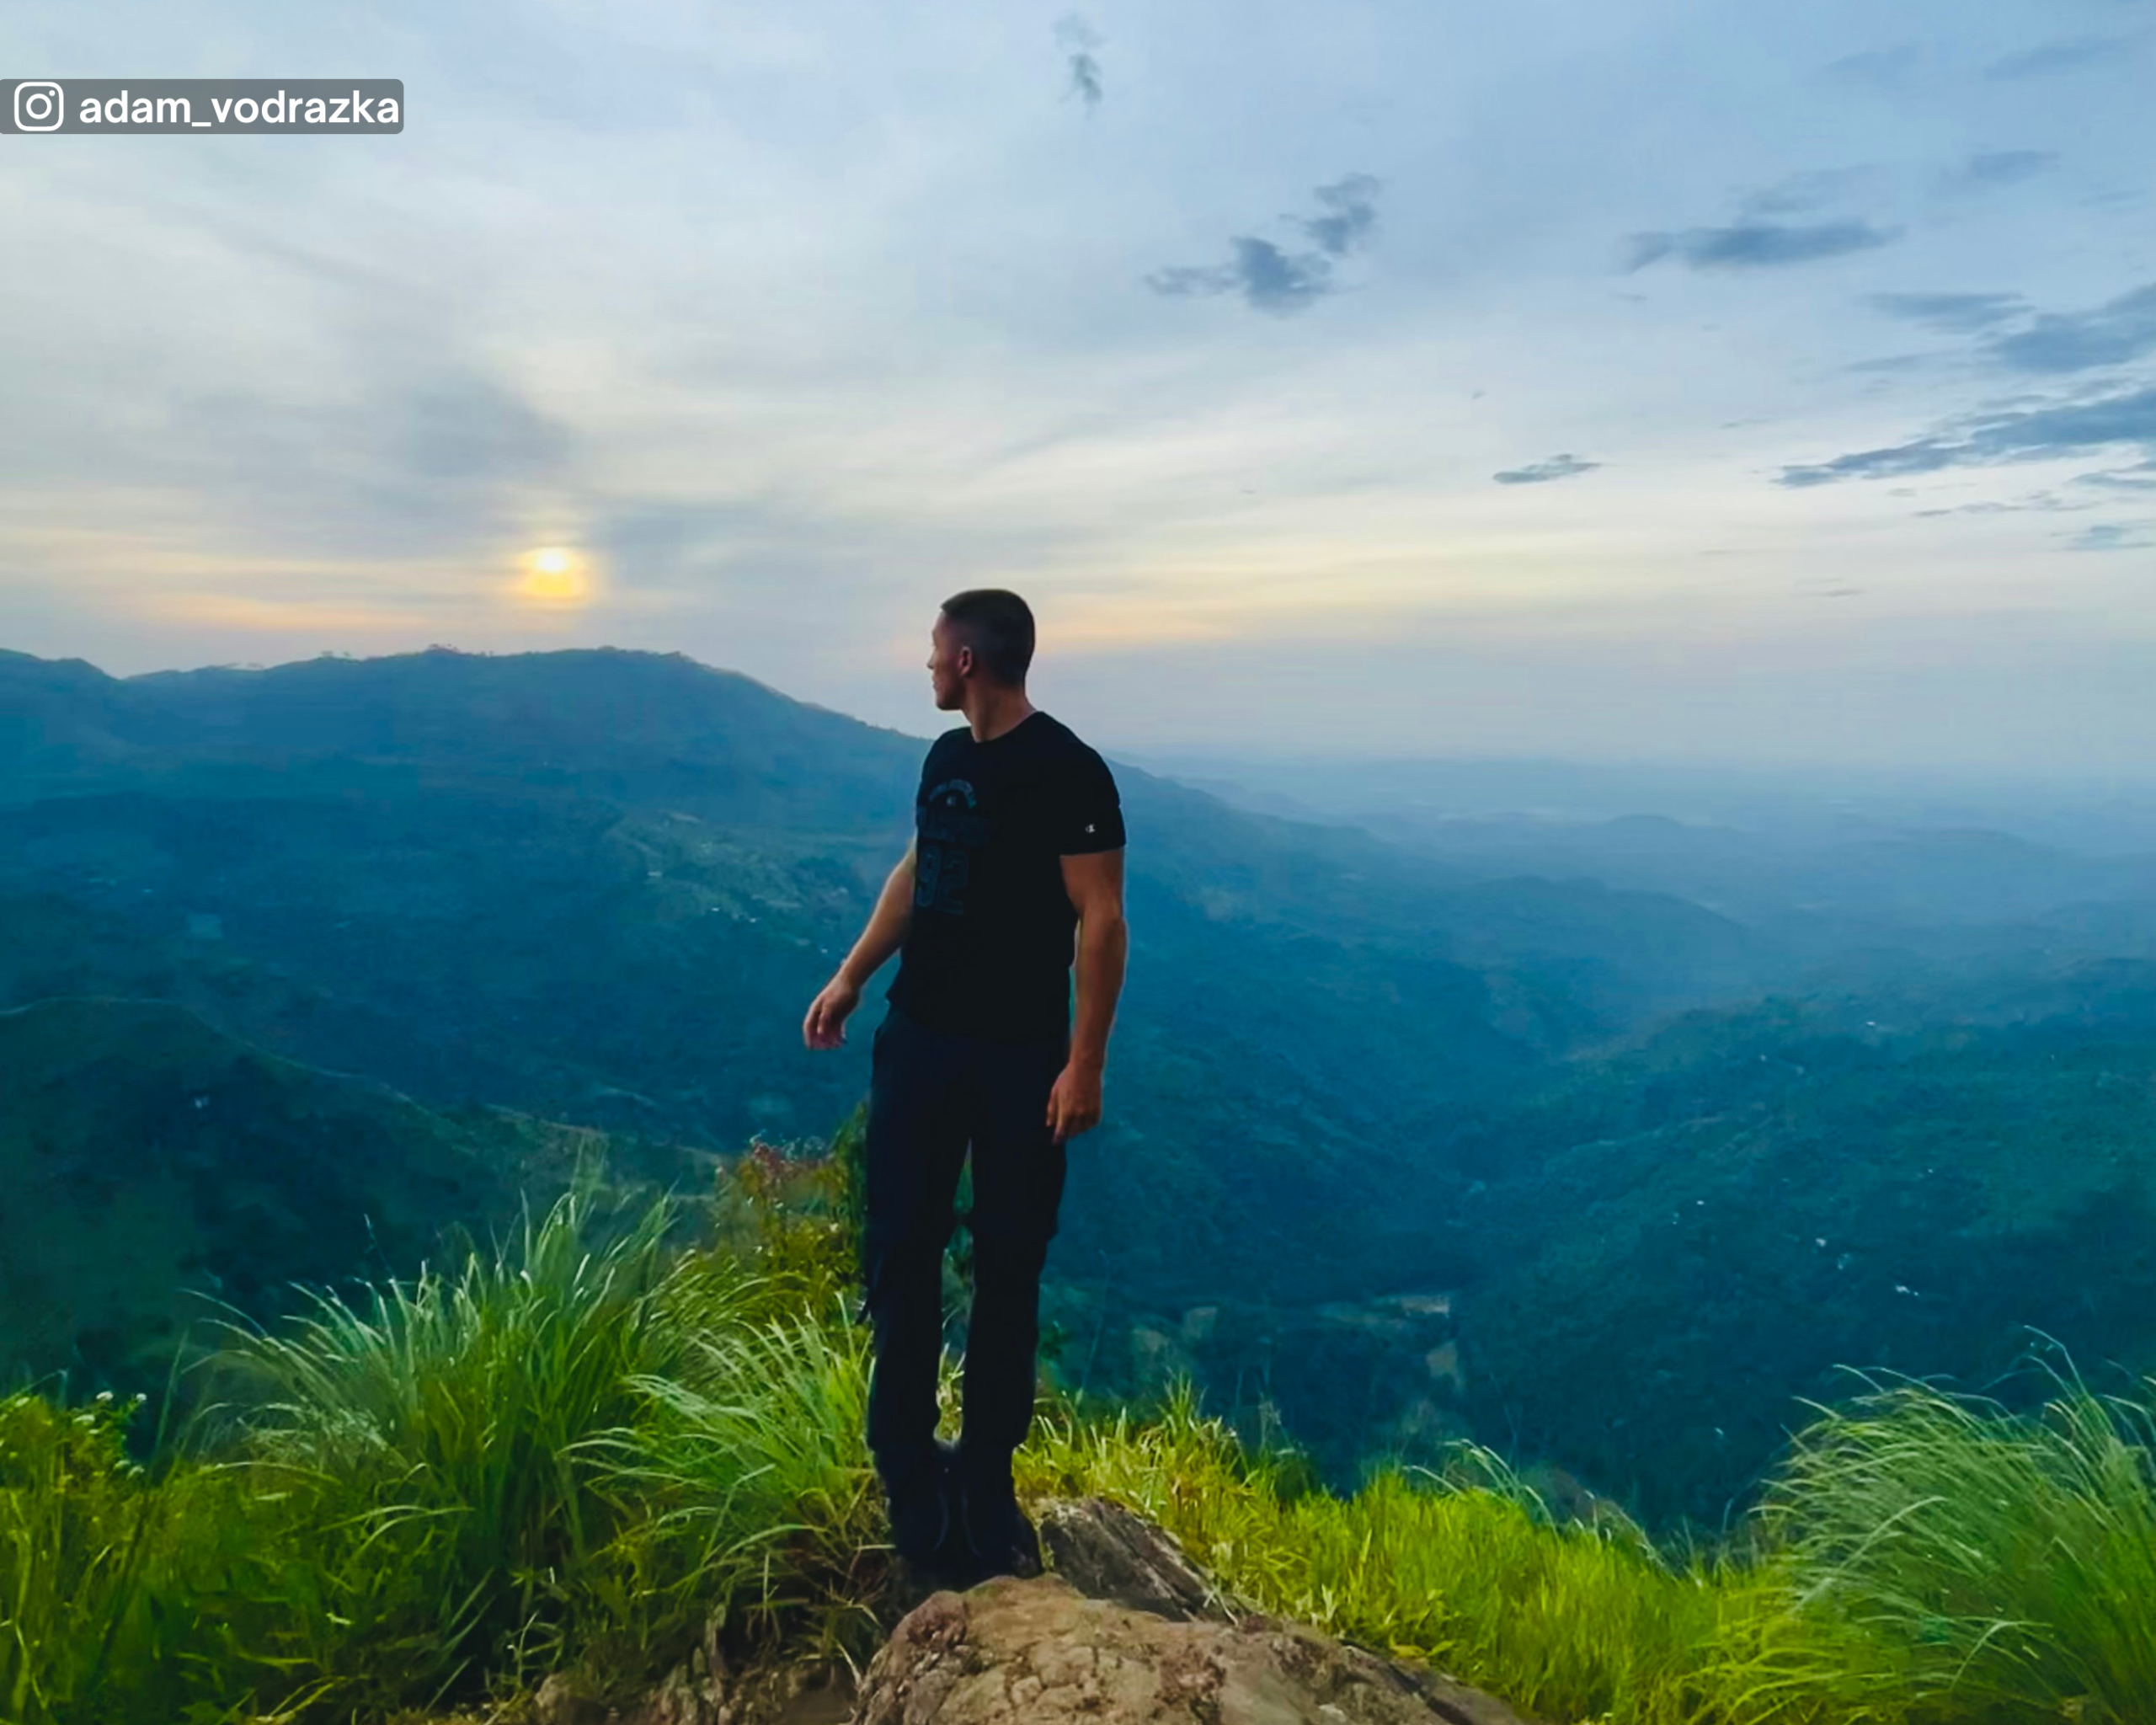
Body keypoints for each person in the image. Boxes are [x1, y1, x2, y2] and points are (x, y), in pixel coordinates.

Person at [802, 589, 1129, 1583]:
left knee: (1008, 1266)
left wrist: (1085, 1061)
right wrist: (854, 972)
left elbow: (1101, 919)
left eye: (937, 651)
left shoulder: (1068, 770)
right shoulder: (944, 760)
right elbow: (918, 869)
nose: (928, 666)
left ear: (972, 662)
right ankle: (908, 1471)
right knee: (899, 1251)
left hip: (1019, 1058)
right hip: (920, 1042)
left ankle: (985, 1480)